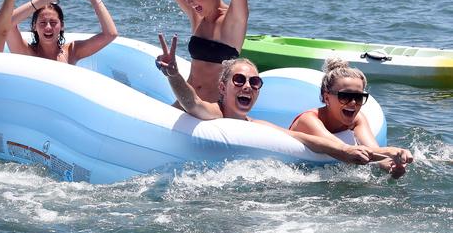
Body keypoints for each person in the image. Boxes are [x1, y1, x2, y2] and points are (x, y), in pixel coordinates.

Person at [154, 34, 387, 166]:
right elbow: (191, 102)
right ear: (222, 88)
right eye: (239, 80)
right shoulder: (214, 113)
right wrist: (173, 74)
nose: (247, 86)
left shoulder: (255, 125)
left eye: (254, 83)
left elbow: (301, 139)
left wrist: (344, 151)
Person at [289, 58, 413, 178]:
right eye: (345, 96)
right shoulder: (308, 120)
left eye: (358, 97)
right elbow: (343, 149)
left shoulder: (357, 119)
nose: (353, 103)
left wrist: (389, 166)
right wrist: (390, 151)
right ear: (327, 98)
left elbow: (373, 149)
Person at [6, 0, 118, 64]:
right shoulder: (27, 52)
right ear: (34, 26)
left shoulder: (72, 52)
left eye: (53, 23)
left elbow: (110, 34)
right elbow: (7, 22)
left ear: (62, 25)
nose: (48, 27)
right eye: (42, 23)